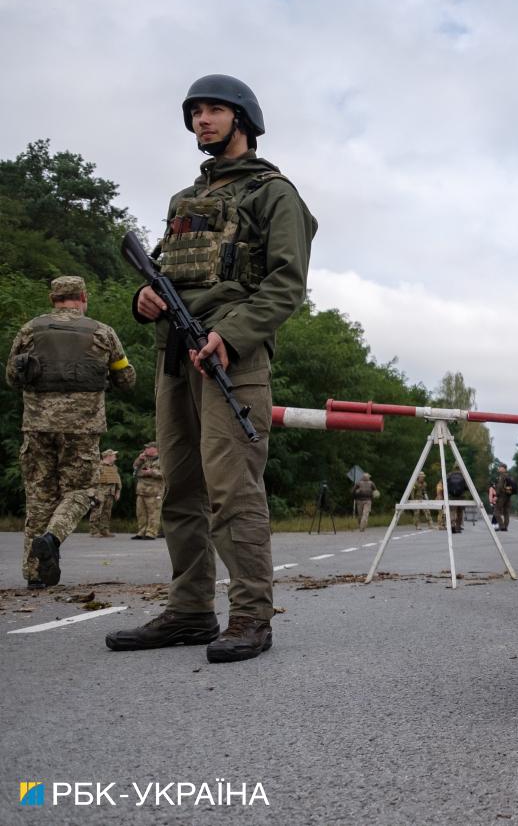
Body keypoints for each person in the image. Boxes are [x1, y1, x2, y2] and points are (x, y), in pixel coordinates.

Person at [106, 74, 315, 663]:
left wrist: (233, 333)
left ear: (243, 118)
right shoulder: (183, 201)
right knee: (180, 488)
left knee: (233, 490)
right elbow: (168, 274)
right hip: (175, 355)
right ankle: (191, 610)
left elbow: (286, 285)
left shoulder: (275, 193)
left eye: (214, 109)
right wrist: (143, 302)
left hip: (232, 356)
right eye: (195, 111)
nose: (202, 119)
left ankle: (250, 615)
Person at [6, 276, 136, 587]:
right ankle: (52, 537)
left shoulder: (29, 330)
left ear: (53, 299)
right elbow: (127, 379)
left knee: (40, 497)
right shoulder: (102, 333)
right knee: (85, 491)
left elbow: (12, 377)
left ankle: (35, 574)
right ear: (83, 297)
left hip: (37, 426)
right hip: (82, 428)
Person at [132, 442, 165, 539]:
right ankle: (141, 532)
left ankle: (151, 533)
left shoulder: (162, 459)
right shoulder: (143, 459)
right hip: (141, 491)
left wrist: (151, 472)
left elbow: (164, 474)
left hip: (154, 492)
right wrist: (139, 460)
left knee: (153, 513)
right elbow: (135, 470)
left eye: (148, 448)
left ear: (155, 449)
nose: (145, 450)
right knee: (141, 513)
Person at [89, 449, 122, 537]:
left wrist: (118, 491)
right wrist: (93, 492)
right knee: (97, 511)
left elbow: (117, 480)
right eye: (113, 455)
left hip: (110, 492)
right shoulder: (98, 466)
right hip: (99, 492)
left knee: (107, 512)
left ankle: (104, 530)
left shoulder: (114, 467)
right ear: (108, 456)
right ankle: (94, 531)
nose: (115, 457)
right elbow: (92, 480)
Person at [492, 463, 516, 532]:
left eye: (500, 467)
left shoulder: (502, 476)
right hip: (508, 496)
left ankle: (502, 526)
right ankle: (505, 526)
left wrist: (496, 495)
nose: (499, 468)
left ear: (503, 469)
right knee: (506, 512)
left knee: (496, 511)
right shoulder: (509, 476)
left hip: (501, 496)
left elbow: (499, 486)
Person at [446, 467, 468, 533]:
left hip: (452, 496)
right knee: (460, 512)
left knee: (452, 511)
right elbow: (467, 486)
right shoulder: (464, 475)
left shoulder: (449, 474)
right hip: (461, 496)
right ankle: (458, 527)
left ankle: (452, 525)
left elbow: (445, 484)